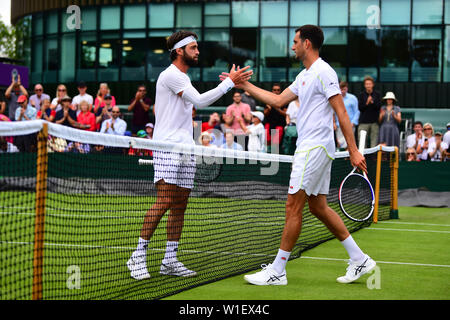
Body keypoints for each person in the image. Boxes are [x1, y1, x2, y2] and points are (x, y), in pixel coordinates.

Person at [221, 25, 372, 286]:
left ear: (307, 44)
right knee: (318, 207)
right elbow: (277, 101)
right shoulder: (305, 75)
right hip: (313, 146)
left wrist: (353, 149)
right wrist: (244, 84)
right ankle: (359, 259)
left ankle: (278, 270)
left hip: (314, 147)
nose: (292, 46)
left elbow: (342, 113)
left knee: (293, 206)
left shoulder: (325, 72)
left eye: (295, 41)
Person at [126, 30, 252, 281]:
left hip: (186, 147)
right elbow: (201, 101)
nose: (197, 51)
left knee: (180, 205)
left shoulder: (183, 78)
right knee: (164, 201)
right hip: (167, 147)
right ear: (180, 50)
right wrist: (230, 82)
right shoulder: (171, 75)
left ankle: (169, 260)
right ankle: (137, 256)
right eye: (193, 47)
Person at [333, 81, 359, 149]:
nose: (342, 91)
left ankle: (348, 159)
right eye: (340, 89)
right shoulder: (335, 98)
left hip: (350, 125)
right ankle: (342, 158)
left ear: (347, 89)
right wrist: (334, 123)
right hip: (339, 126)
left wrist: (353, 123)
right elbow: (332, 112)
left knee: (350, 144)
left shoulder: (353, 98)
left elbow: (357, 111)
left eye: (343, 89)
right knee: (340, 143)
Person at [358, 76, 382, 148]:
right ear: (365, 85)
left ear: (373, 85)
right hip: (363, 122)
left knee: (374, 141)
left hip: (374, 122)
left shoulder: (377, 94)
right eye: (367, 84)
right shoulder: (361, 95)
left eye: (369, 84)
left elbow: (379, 106)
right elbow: (360, 108)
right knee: (362, 141)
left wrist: (372, 102)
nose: (368, 85)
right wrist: (367, 103)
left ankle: (373, 157)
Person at [264, 84, 288, 153]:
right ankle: (267, 157)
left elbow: (285, 114)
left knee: (275, 144)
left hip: (279, 125)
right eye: (274, 90)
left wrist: (277, 108)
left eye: (278, 90)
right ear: (272, 91)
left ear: (280, 91)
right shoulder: (268, 100)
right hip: (269, 124)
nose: (276, 91)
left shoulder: (284, 101)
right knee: (267, 142)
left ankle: (274, 160)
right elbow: (265, 113)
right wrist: (269, 108)